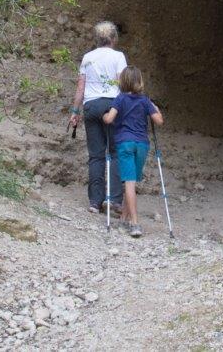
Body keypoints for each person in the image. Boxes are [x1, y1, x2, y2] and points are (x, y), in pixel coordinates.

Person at [68, 21, 126, 214]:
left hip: (91, 106)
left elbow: (80, 88)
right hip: (113, 106)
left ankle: (95, 201)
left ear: (97, 39)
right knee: (116, 153)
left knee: (96, 156)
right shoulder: (118, 57)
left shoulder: (87, 58)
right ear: (113, 38)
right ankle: (115, 201)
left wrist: (75, 112)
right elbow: (122, 84)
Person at [102, 66, 163, 238]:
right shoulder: (145, 100)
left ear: (123, 81)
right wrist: (156, 108)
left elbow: (110, 119)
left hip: (125, 143)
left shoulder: (120, 99)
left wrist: (104, 116)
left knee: (129, 183)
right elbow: (159, 121)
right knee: (133, 181)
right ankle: (124, 217)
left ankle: (134, 223)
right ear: (139, 81)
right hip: (142, 145)